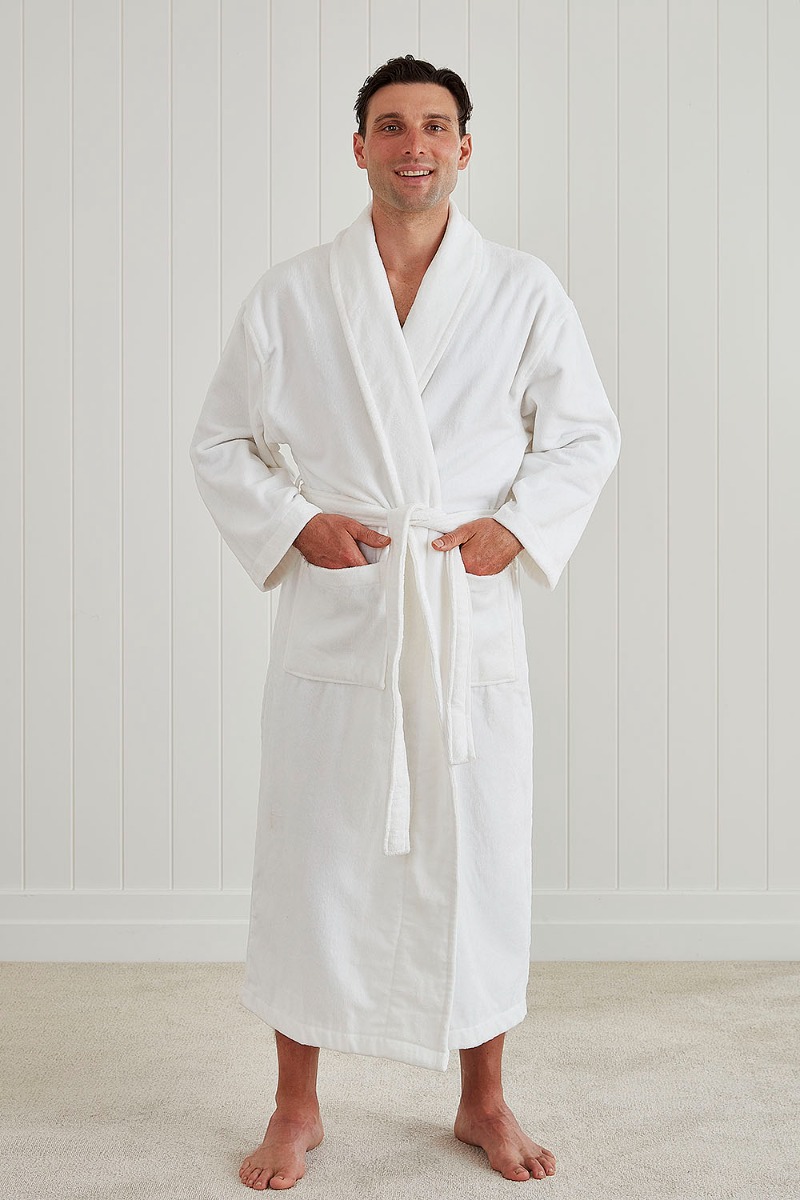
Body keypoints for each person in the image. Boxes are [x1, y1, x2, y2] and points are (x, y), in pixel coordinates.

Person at [190, 53, 620, 1192]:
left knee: (479, 853)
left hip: (458, 611)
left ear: (464, 148)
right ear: (359, 147)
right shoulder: (292, 293)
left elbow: (584, 433)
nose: (413, 146)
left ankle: (482, 1098)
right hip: (344, 605)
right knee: (311, 854)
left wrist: (516, 528)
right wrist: (295, 523)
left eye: (434, 126)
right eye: (390, 126)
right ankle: (295, 1106)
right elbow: (221, 440)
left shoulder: (521, 289)